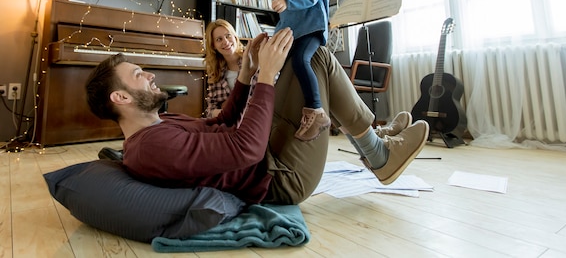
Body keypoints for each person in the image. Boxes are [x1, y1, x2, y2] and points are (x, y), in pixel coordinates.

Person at [86, 28, 430, 205]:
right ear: (121, 98)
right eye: (138, 76)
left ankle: (375, 145)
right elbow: (245, 150)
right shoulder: (150, 148)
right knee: (319, 60)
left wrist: (250, 73)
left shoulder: (161, 124)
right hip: (281, 178)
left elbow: (220, 124)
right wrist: (267, 75)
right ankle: (377, 151)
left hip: (268, 153)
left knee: (305, 56)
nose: (149, 76)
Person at [272, 0, 331, 141]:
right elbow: (287, 19)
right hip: (296, 33)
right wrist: (274, 39)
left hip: (311, 31)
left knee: (300, 60)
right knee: (284, 66)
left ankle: (316, 110)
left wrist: (287, 1)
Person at [204, 19, 245, 117]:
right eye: (219, 39)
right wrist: (225, 112)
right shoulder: (215, 71)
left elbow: (258, 101)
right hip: (225, 124)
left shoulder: (251, 61)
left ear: (235, 37)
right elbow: (210, 111)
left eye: (228, 36)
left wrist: (226, 108)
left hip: (250, 123)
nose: (226, 42)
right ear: (213, 46)